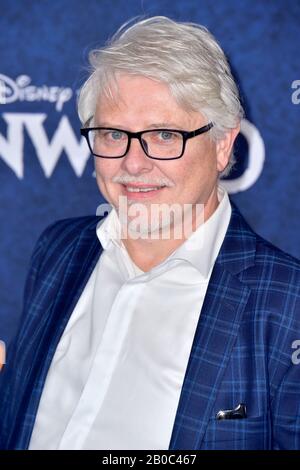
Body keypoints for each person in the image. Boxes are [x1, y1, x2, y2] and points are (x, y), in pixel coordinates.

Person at [0, 16, 299, 451]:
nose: (134, 164)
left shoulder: (287, 303)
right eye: (112, 133)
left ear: (222, 144)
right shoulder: (59, 250)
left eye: (163, 135)